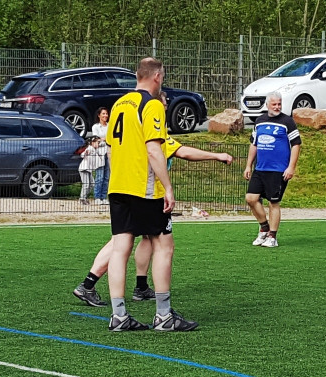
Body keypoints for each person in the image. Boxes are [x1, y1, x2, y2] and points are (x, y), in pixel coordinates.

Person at [87, 57, 233, 332]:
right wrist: (168, 187)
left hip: (118, 186)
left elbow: (111, 149)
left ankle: (119, 316)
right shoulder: (151, 104)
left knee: (120, 248)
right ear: (157, 76)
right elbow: (154, 150)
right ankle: (164, 316)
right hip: (143, 188)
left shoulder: (119, 105)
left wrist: (118, 177)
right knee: (164, 245)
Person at [243, 93, 302, 248]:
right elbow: (254, 144)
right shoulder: (259, 121)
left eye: (279, 104)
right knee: (251, 198)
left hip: (278, 170)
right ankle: (264, 228)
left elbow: (296, 144)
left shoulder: (287, 122)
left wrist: (291, 167)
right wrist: (248, 165)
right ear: (267, 105)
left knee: (273, 202)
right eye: (274, 104)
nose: (277, 107)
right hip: (260, 168)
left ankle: (272, 237)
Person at [77, 106, 109, 206]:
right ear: (99, 115)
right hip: (99, 154)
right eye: (103, 113)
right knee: (99, 176)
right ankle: (97, 197)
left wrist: (103, 139)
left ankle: (104, 197)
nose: (105, 115)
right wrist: (104, 139)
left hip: (109, 152)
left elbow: (110, 139)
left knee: (107, 177)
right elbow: (95, 140)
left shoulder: (110, 126)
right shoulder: (96, 127)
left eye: (106, 113)